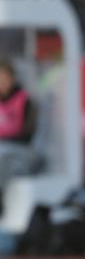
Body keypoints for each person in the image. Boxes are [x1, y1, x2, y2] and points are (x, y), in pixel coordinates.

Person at [0, 60, 40, 215]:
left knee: (2, 155)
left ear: (12, 78)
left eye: (4, 78)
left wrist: (5, 141)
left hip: (21, 151)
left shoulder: (24, 100)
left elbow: (28, 135)